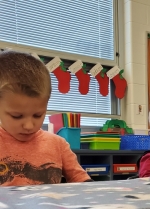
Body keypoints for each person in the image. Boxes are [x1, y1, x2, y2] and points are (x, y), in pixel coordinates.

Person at [0, 50, 91, 186]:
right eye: (17, 116)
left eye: (38, 115)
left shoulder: (58, 145)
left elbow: (81, 180)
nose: (29, 125)